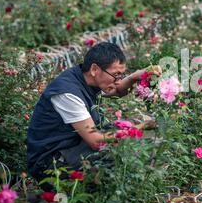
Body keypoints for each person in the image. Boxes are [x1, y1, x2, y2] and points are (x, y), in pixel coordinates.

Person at [27, 42, 161, 182]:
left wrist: (134, 77)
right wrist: (141, 127)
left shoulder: (85, 79)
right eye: (116, 75)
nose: (118, 81)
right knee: (123, 151)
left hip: (73, 147)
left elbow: (117, 91)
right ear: (94, 69)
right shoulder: (68, 93)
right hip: (51, 164)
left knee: (124, 135)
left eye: (121, 75)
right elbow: (96, 142)